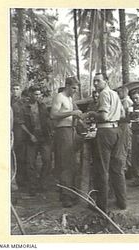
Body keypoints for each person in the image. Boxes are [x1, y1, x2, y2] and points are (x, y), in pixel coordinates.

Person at [86, 73, 127, 212]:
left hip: (105, 132)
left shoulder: (104, 94)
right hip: (116, 130)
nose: (95, 84)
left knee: (102, 169)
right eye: (94, 81)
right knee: (117, 169)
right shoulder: (115, 94)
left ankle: (101, 206)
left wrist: (92, 114)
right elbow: (122, 115)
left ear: (106, 81)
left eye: (98, 81)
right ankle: (122, 202)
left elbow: (103, 116)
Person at [50, 76, 83, 207]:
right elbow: (53, 115)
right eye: (74, 88)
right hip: (62, 131)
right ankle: (66, 196)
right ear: (67, 86)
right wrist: (71, 113)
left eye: (77, 88)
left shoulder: (69, 98)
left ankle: (70, 192)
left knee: (72, 163)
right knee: (65, 163)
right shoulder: (60, 97)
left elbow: (73, 114)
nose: (75, 91)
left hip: (71, 130)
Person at [21, 86, 53, 195]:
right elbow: (21, 124)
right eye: (36, 94)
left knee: (47, 160)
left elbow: (48, 119)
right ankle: (33, 187)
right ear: (30, 94)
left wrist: (50, 131)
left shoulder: (43, 106)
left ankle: (42, 184)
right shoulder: (24, 107)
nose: (38, 96)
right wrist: (30, 135)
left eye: (39, 94)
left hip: (44, 136)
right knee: (30, 163)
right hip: (31, 137)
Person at [11, 83, 27, 189]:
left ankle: (22, 180)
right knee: (13, 156)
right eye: (14, 89)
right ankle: (14, 180)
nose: (16, 91)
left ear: (20, 90)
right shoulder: (9, 101)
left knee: (22, 156)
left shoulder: (23, 102)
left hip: (22, 131)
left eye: (17, 89)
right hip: (13, 130)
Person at [117, 86, 133, 178]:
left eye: (119, 93)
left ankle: (128, 170)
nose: (118, 95)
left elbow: (127, 116)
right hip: (123, 126)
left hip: (125, 126)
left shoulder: (126, 102)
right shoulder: (123, 101)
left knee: (126, 147)